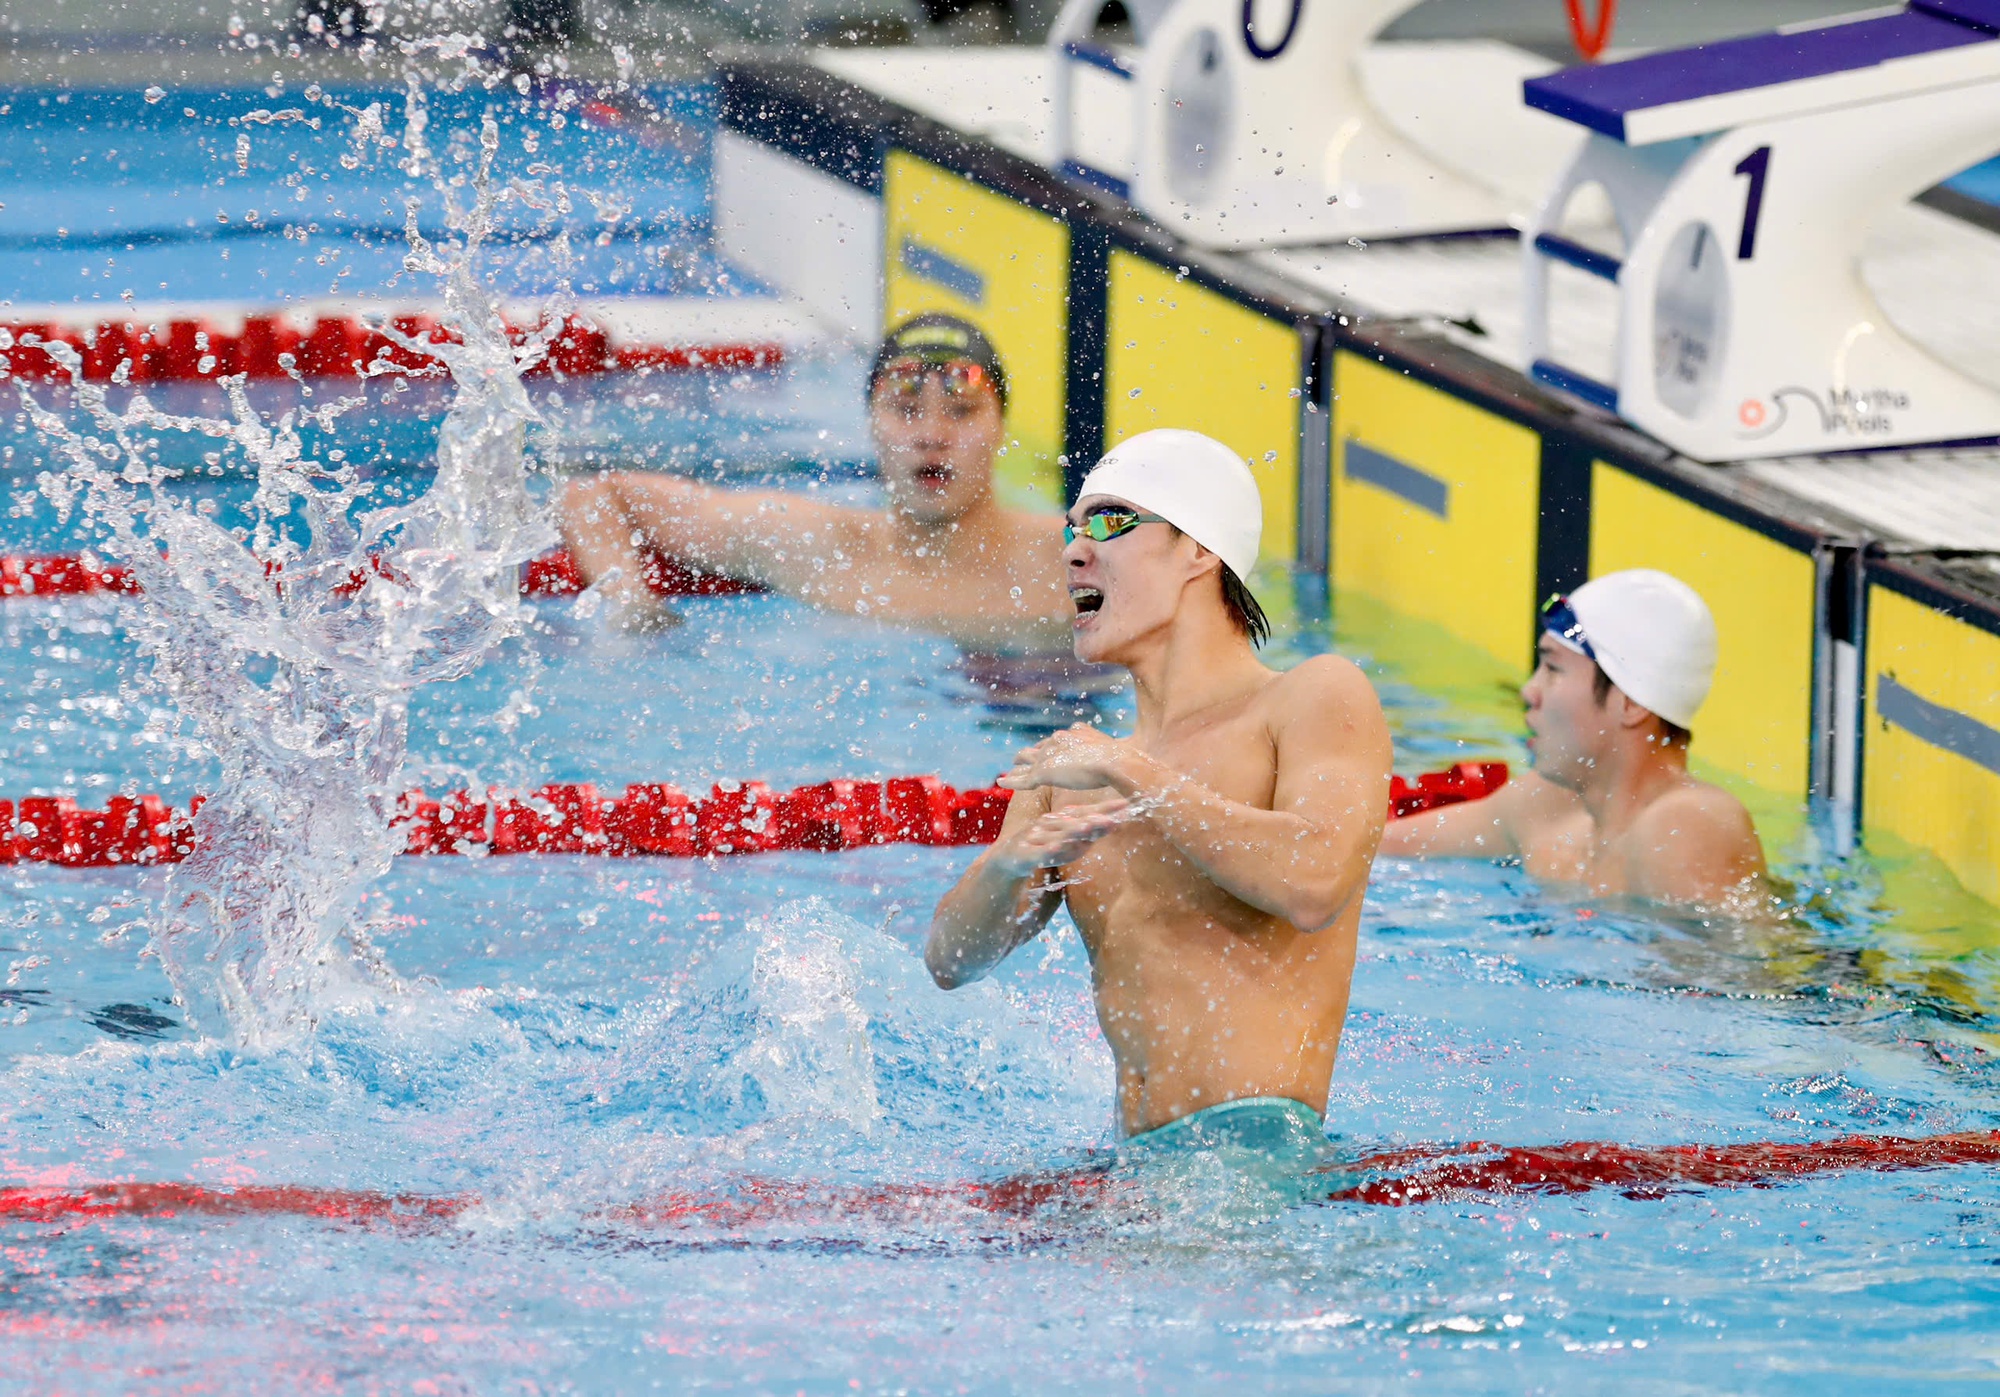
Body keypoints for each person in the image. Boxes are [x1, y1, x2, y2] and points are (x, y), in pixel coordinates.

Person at [925, 428, 1393, 1149]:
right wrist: (1007, 864)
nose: (1075, 551)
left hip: (1252, 1152)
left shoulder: (1310, 698)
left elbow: (1314, 883)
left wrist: (1133, 773)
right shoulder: (1072, 772)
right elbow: (951, 963)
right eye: (1072, 530)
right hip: (1133, 1164)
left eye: (1110, 522)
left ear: (1198, 549)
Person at [557, 313, 1069, 651]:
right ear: (871, 424)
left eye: (961, 412)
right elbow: (597, 495)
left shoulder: (1072, 561)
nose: (932, 435)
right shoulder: (816, 547)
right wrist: (632, 609)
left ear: (1001, 427)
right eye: (905, 410)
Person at [1378, 569, 1766, 907]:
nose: (1530, 691)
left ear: (1631, 703)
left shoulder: (1687, 826)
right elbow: (1374, 849)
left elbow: (1734, 967)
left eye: (1553, 668)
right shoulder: (1546, 807)